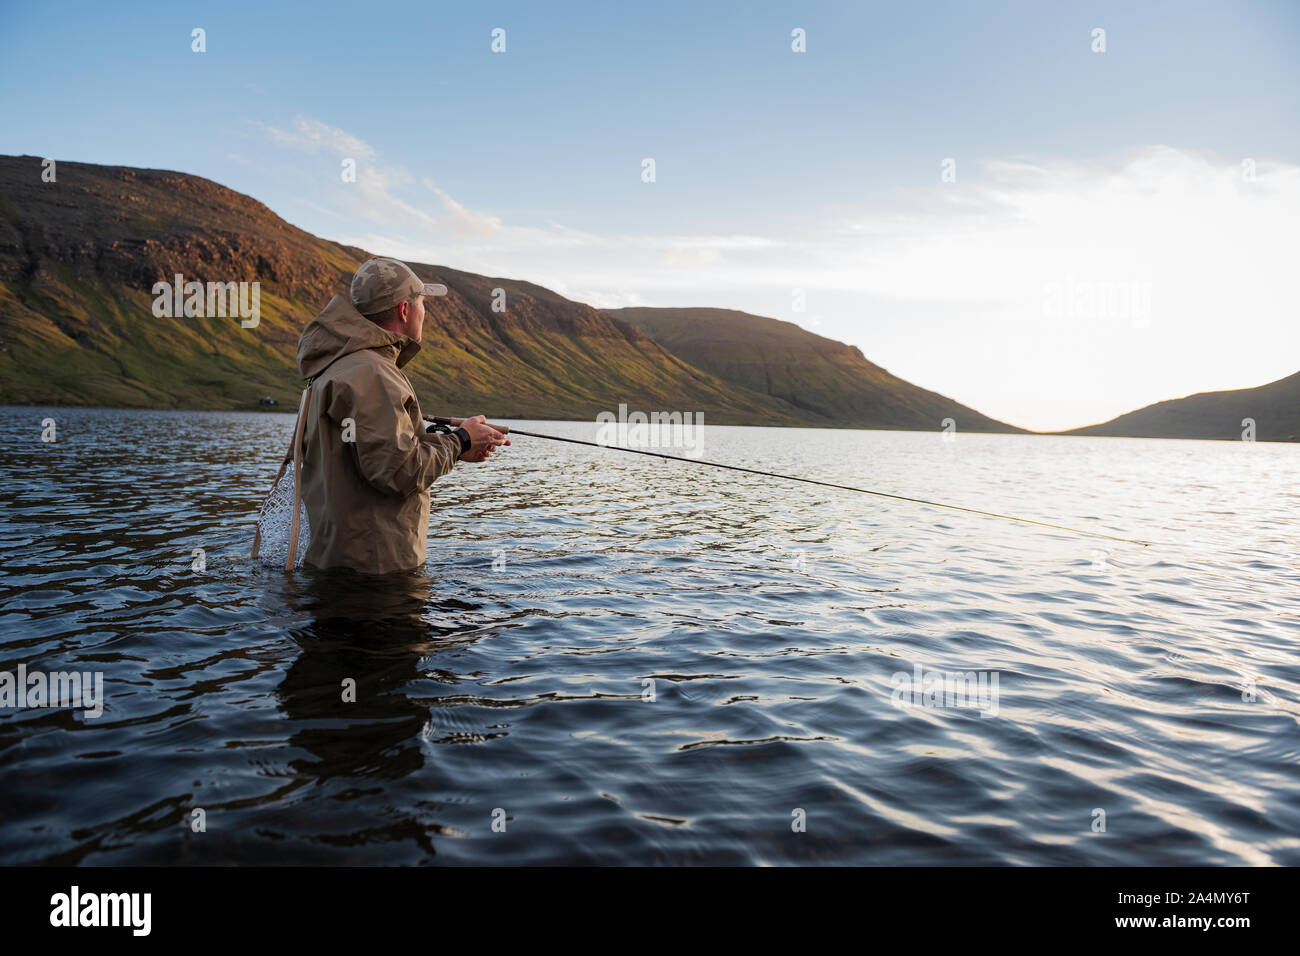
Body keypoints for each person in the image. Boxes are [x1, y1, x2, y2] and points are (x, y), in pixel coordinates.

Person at [294, 257, 507, 574]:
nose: (426, 313)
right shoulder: (373, 374)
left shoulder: (340, 365)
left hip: (340, 560)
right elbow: (396, 469)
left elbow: (372, 451)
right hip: (375, 571)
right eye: (422, 303)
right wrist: (461, 440)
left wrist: (453, 446)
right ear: (404, 310)